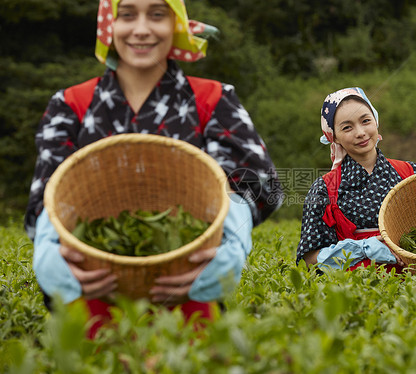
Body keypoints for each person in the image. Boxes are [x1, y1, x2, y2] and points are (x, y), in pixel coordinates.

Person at [25, 0, 282, 338]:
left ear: (175, 24)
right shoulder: (72, 104)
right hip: (92, 294)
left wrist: (231, 240)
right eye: (127, 14)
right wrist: (48, 250)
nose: (142, 29)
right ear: (109, 25)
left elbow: (257, 183)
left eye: (157, 14)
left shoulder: (212, 99)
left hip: (188, 289)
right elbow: (50, 192)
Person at [296, 87, 416, 271]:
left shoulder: (413, 173)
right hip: (358, 288)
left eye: (365, 121)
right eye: (347, 127)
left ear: (376, 121)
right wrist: (363, 248)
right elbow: (310, 259)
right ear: (334, 136)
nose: (360, 132)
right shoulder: (323, 189)